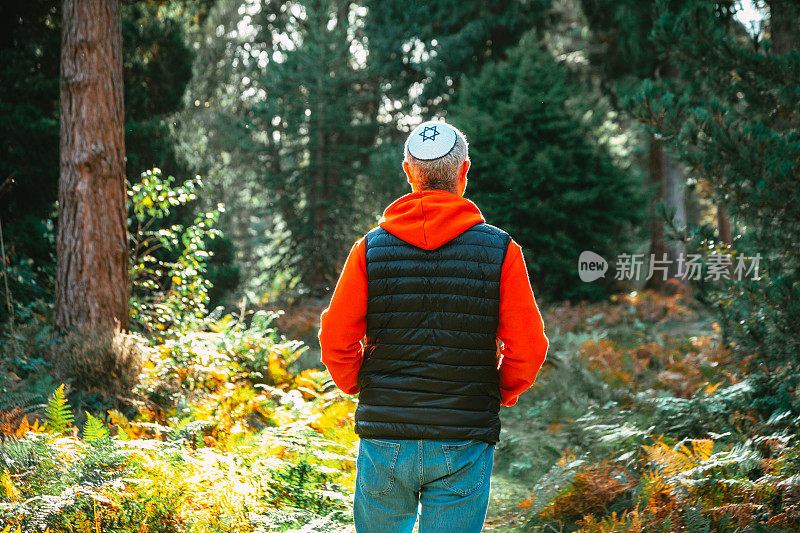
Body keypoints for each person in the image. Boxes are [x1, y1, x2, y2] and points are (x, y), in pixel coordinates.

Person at [318, 119, 549, 532]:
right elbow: (528, 347)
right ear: (464, 172)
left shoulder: (369, 248)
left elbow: (336, 337)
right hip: (464, 435)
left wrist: (363, 384)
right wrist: (501, 390)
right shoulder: (501, 250)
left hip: (385, 435)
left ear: (408, 172)